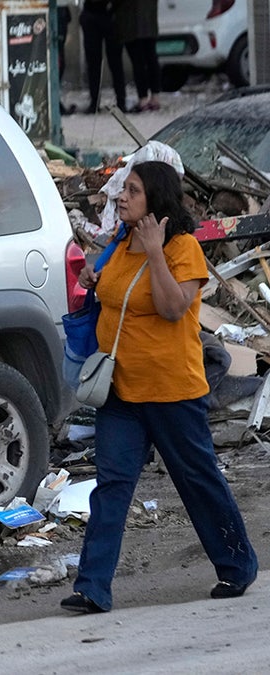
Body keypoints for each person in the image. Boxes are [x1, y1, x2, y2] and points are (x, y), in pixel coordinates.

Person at [61, 161, 258, 614]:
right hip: (121, 393)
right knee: (111, 485)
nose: (121, 197)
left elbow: (172, 309)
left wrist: (154, 253)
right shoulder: (119, 242)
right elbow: (115, 297)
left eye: (132, 190)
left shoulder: (182, 248)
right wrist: (93, 280)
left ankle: (237, 564)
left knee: (197, 480)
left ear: (157, 199)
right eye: (122, 190)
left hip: (173, 392)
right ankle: (92, 587)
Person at [79, 0, 128, 113]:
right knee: (93, 62)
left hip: (110, 13)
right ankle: (95, 102)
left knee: (115, 62)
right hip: (92, 13)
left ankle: (121, 100)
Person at [115, 0, 161, 111]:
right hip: (148, 21)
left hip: (131, 22)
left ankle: (143, 99)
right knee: (151, 59)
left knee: (138, 62)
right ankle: (155, 97)